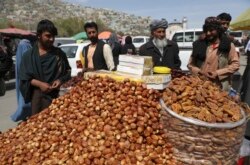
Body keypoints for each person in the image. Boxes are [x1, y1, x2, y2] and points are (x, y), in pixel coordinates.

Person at [19, 19, 71, 115]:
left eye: (53, 36)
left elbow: (68, 72)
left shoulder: (59, 54)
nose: (51, 39)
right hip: (37, 98)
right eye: (48, 36)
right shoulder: (29, 56)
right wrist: (40, 84)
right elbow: (24, 77)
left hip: (56, 97)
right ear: (39, 35)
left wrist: (59, 81)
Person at [188, 17, 239, 91]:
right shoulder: (198, 45)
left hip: (220, 87)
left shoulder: (229, 45)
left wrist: (217, 73)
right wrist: (199, 72)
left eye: (211, 30)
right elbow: (190, 64)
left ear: (218, 30)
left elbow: (235, 65)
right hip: (200, 86)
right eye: (206, 30)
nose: (208, 33)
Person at [11, 39, 32, 121]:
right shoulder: (25, 50)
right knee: (24, 102)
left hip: (27, 79)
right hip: (24, 79)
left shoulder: (23, 49)